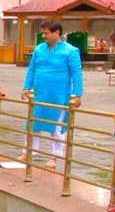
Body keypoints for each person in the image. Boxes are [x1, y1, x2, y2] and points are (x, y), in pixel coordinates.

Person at [22, 20, 83, 168]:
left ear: (57, 33)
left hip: (59, 95)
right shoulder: (39, 49)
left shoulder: (70, 51)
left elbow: (77, 73)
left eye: (46, 33)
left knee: (56, 127)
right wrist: (26, 87)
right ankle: (28, 151)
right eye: (43, 33)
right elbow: (32, 69)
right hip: (39, 93)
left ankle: (53, 157)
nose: (44, 36)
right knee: (32, 123)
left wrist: (77, 94)